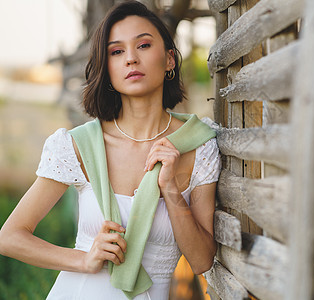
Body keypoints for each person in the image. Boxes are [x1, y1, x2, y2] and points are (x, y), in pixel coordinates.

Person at [0, 1, 220, 299]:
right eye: (116, 52)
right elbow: (10, 237)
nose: (130, 58)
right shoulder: (79, 145)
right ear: (108, 68)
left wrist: (170, 190)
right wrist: (84, 258)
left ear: (169, 59)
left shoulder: (198, 144)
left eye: (143, 45)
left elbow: (201, 260)